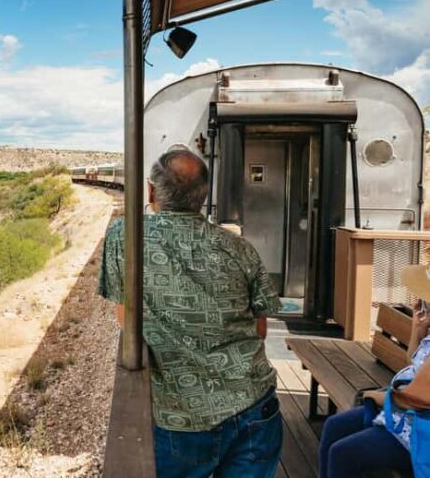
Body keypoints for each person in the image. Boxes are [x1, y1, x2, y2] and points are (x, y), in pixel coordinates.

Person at [98, 149, 282, 478]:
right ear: (203, 196)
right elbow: (260, 327)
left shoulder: (124, 236)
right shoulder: (240, 248)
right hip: (254, 405)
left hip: (178, 416)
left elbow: (126, 319)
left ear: (151, 191)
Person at [318, 266, 430, 478]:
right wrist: (418, 329)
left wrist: (377, 397)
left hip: (416, 428)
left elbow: (416, 399)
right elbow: (413, 363)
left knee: (342, 454)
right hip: (403, 414)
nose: (422, 301)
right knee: (334, 426)